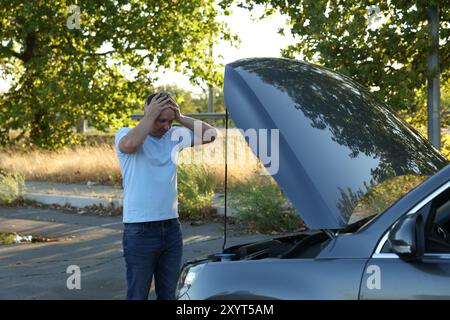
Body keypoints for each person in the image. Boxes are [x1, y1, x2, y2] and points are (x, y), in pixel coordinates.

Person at [115, 92, 217, 300]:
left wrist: (180, 117)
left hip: (171, 229)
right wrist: (149, 116)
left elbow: (211, 135)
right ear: (148, 113)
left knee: (169, 295)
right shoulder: (126, 133)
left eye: (170, 121)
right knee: (138, 295)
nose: (166, 126)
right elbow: (130, 146)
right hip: (140, 230)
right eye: (161, 120)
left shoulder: (173, 136)